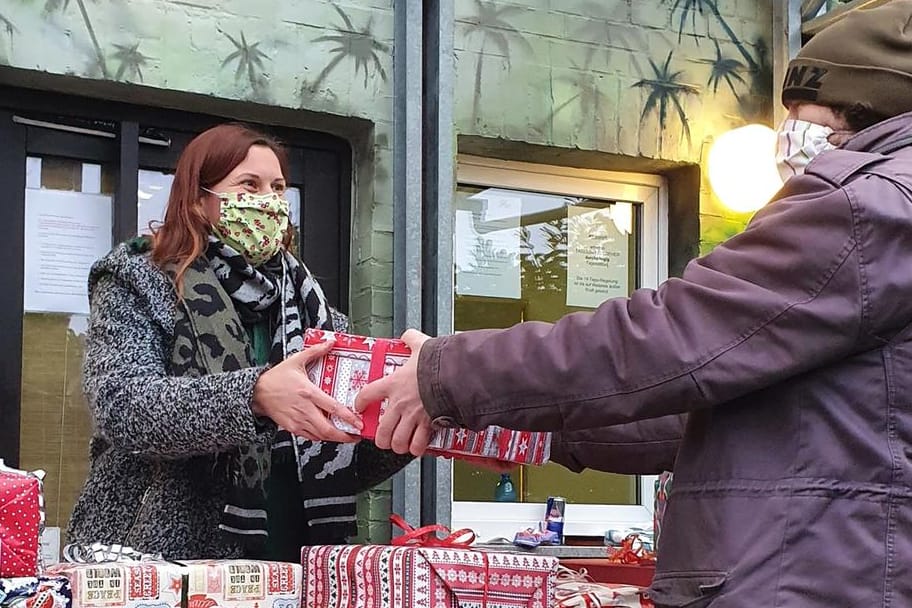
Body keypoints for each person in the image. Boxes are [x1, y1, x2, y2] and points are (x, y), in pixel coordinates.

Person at [356, 3, 912, 605]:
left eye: (803, 115)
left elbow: (670, 335)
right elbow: (732, 414)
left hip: (810, 577)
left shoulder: (867, 208)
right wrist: (526, 431)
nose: (790, 139)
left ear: (862, 109)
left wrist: (450, 373)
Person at [68, 123, 411, 561]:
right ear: (199, 197)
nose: (268, 201)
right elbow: (122, 407)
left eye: (278, 188)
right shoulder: (139, 277)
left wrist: (406, 429)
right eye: (248, 184)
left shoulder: (313, 310)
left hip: (294, 558)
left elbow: (340, 461)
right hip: (166, 559)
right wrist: (254, 396)